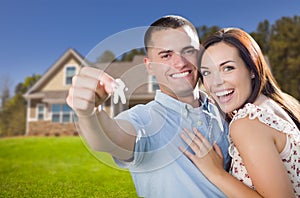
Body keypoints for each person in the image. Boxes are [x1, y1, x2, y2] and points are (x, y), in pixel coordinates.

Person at [66, 15, 231, 197]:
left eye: (188, 51)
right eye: (166, 55)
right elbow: (107, 138)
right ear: (149, 66)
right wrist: (89, 114)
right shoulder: (142, 119)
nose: (180, 63)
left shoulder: (223, 109)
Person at [180, 27, 300, 197]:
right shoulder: (281, 104)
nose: (216, 83)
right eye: (207, 72)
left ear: (252, 69)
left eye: (228, 68)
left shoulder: (247, 124)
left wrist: (217, 174)